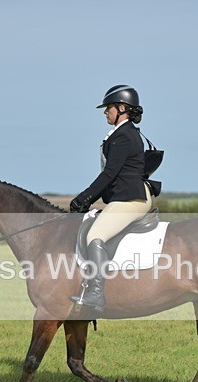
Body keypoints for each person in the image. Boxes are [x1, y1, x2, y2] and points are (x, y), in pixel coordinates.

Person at [68, 85, 156, 313]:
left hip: (131, 199)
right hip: (127, 196)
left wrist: (85, 197)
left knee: (95, 235)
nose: (105, 112)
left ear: (122, 108)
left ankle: (96, 293)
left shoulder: (124, 136)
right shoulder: (124, 133)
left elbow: (109, 174)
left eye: (109, 107)